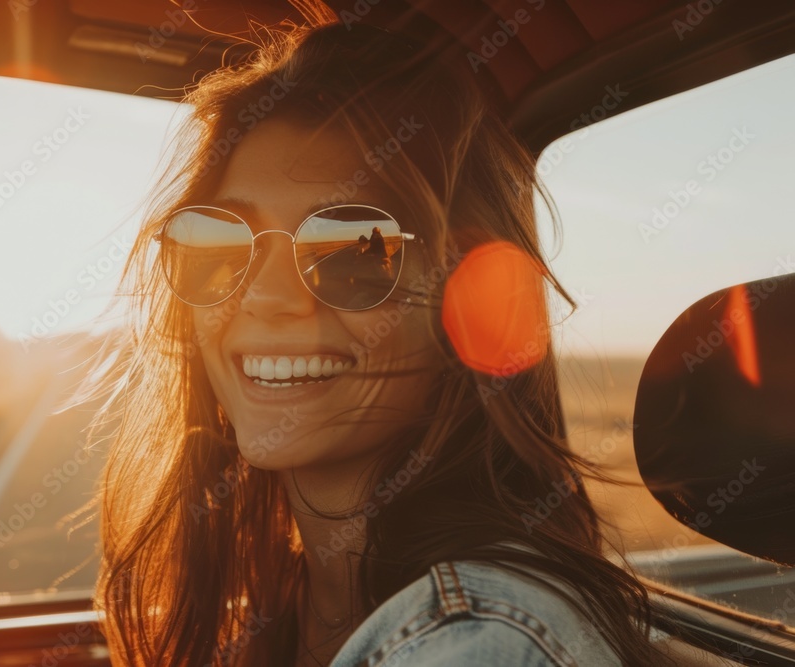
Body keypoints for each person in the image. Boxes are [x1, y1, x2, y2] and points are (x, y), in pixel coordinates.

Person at [88, 9, 680, 667]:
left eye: (352, 250)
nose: (266, 295)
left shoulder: (477, 642)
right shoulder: (285, 600)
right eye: (221, 243)